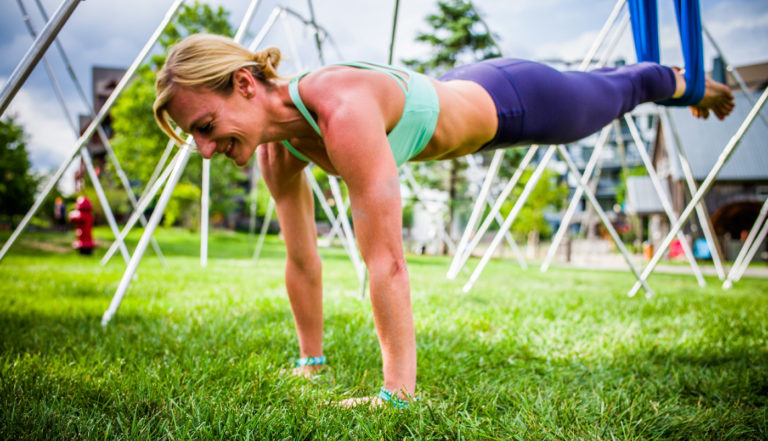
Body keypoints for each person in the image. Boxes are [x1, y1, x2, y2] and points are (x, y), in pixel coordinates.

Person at [153, 33, 734, 408]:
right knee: (606, 83)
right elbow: (301, 261)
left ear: (245, 84)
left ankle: (685, 83)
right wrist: (310, 363)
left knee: (623, 88)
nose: (204, 150)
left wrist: (396, 394)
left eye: (204, 126)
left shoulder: (341, 108)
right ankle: (672, 84)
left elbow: (386, 260)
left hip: (516, 102)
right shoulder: (280, 154)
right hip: (467, 82)